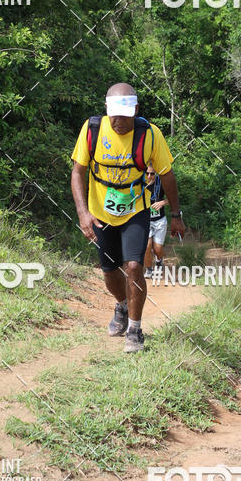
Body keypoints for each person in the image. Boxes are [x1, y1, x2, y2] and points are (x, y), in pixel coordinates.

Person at [71, 83, 185, 352]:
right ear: (107, 110)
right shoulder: (92, 129)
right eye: (114, 115)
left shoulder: (150, 135)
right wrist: (83, 214)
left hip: (136, 210)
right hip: (101, 214)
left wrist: (175, 214)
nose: (119, 121)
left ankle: (135, 329)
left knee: (134, 266)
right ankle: (122, 305)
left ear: (135, 110)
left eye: (125, 115)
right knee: (109, 272)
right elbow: (78, 172)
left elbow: (167, 175)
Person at [144, 165, 169, 278]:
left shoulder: (162, 182)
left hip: (159, 220)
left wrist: (162, 202)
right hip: (145, 220)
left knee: (157, 248)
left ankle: (159, 260)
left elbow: (173, 198)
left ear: (156, 174)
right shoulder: (139, 183)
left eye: (152, 174)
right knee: (147, 246)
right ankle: (149, 269)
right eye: (147, 173)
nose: (149, 176)